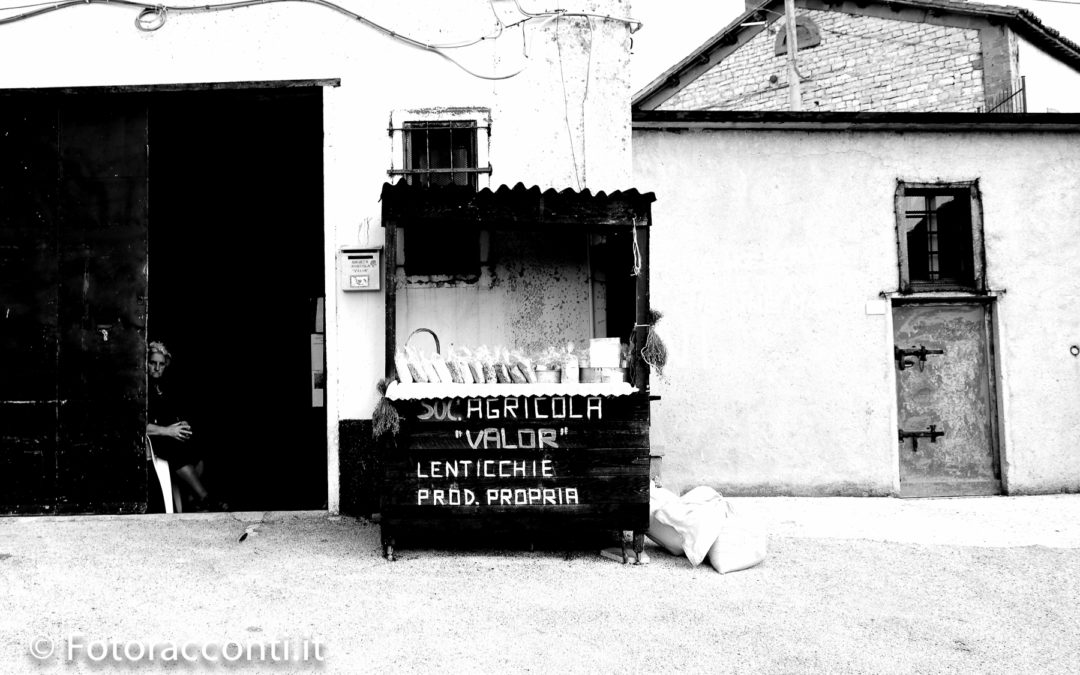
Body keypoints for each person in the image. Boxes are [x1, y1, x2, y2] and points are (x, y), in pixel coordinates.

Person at [146, 341, 227, 512]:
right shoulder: (141, 387)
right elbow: (138, 424)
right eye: (153, 363)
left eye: (161, 364)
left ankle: (192, 500)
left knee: (198, 444)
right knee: (176, 449)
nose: (157, 368)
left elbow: (168, 414)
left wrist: (181, 425)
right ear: (146, 362)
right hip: (155, 439)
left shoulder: (161, 386)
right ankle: (204, 497)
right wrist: (168, 431)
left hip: (169, 434)